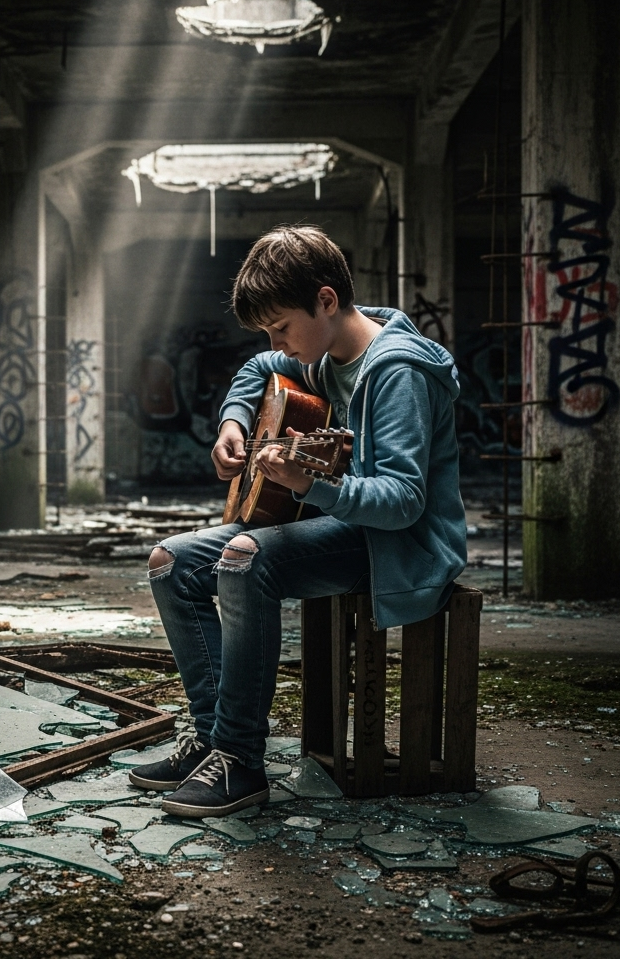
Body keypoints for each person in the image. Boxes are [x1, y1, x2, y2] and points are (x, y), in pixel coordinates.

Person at [129, 225, 467, 817]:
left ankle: (240, 759)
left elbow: (404, 500)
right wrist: (233, 423)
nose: (278, 342)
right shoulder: (328, 353)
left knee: (246, 558)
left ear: (327, 300)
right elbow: (258, 369)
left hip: (400, 546)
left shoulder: (395, 372)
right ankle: (211, 739)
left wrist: (310, 484)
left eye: (283, 325)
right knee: (171, 562)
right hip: (341, 526)